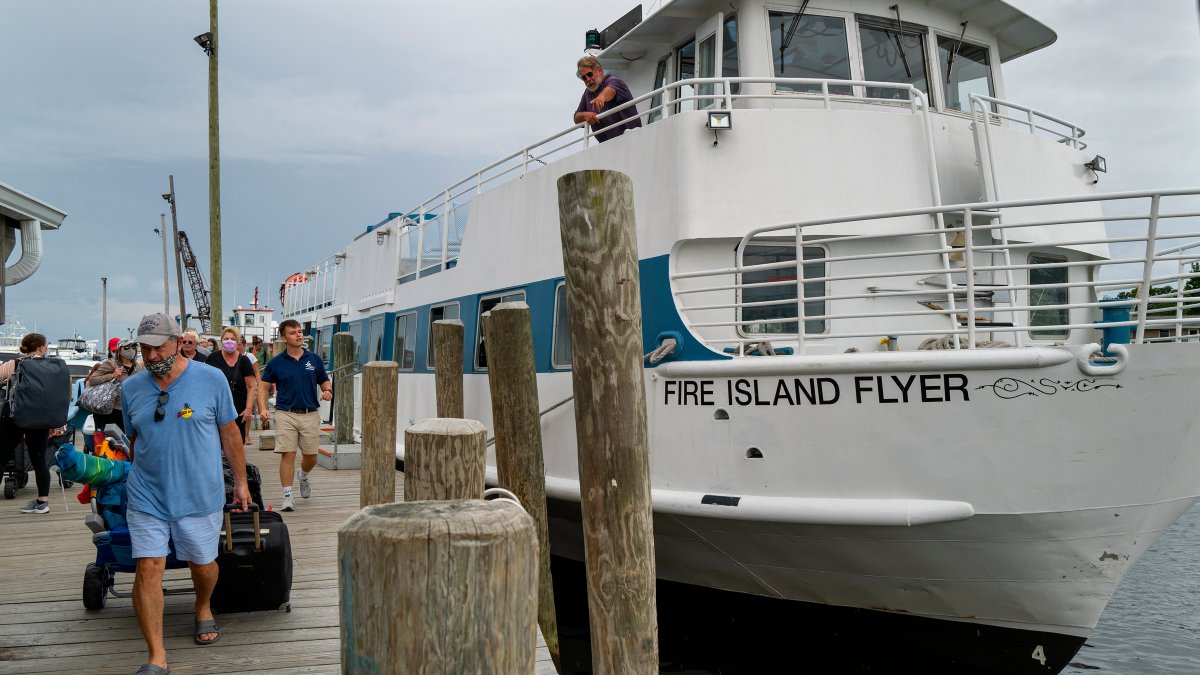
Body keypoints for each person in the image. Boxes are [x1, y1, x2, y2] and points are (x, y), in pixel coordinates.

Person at [122, 313, 250, 674]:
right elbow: (135, 438)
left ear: (179, 342)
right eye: (143, 349)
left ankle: (203, 606)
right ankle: (156, 656)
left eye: (157, 347)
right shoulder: (131, 387)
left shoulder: (211, 379)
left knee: (203, 565)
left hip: (199, 493)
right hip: (147, 492)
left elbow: (230, 434)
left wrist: (240, 483)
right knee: (148, 567)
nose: (149, 356)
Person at [258, 319, 331, 512]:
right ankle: (288, 496)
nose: (298, 335)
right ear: (284, 338)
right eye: (293, 332)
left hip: (310, 413)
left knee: (311, 456)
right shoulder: (276, 362)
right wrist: (262, 408)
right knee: (288, 454)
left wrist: (328, 390)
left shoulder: (313, 359)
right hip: (285, 413)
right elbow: (263, 387)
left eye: (299, 332)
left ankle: (304, 475)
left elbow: (324, 381)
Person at [0, 333, 60, 514]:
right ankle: (42, 502)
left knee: (1, 457)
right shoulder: (52, 367)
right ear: (41, 347)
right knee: (39, 461)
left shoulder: (15, 364)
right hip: (39, 419)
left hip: (15, 416)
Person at [205, 327, 256, 446]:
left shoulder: (244, 360)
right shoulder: (213, 358)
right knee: (216, 443)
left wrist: (248, 409)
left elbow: (251, 386)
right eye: (226, 338)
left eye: (233, 339)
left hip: (239, 410)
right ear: (221, 341)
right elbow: (205, 383)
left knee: (236, 445)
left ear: (238, 342)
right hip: (216, 408)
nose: (229, 341)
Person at [573, 55, 641, 143]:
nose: (588, 79)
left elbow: (611, 90)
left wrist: (601, 98)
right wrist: (585, 115)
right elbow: (576, 118)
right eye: (584, 77)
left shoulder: (614, 81)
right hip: (607, 146)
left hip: (631, 139)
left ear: (599, 71)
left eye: (589, 74)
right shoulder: (587, 93)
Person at [86, 339, 142, 443]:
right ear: (120, 350)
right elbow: (93, 380)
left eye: (134, 347)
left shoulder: (137, 367)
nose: (131, 350)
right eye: (127, 347)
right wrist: (112, 375)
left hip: (132, 410)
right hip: (114, 410)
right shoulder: (111, 364)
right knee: (113, 442)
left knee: (129, 441)